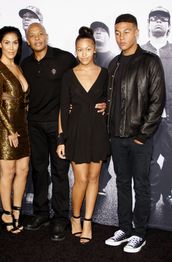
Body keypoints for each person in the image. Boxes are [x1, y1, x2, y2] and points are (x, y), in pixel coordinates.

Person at [105, 14, 165, 253]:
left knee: (141, 186)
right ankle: (124, 228)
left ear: (137, 32)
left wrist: (143, 134)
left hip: (140, 138)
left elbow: (157, 101)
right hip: (117, 138)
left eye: (126, 31)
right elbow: (114, 99)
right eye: (117, 32)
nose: (121, 37)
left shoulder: (150, 61)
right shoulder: (113, 63)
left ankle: (139, 233)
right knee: (121, 184)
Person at [21, 23, 77, 241]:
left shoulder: (63, 58)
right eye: (32, 36)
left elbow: (81, 77)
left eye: (40, 34)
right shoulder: (24, 64)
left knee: (60, 171)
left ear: (46, 36)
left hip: (58, 125)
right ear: (28, 41)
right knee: (38, 170)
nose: (37, 38)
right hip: (34, 125)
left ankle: (60, 218)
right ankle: (41, 213)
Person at [57, 26, 110, 244]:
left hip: (97, 131)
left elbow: (110, 101)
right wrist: (61, 139)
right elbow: (63, 108)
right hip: (76, 132)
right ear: (76, 51)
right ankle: (75, 216)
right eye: (80, 50)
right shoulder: (69, 76)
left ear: (94, 50)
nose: (84, 54)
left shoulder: (105, 74)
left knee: (94, 178)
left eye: (88, 49)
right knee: (80, 180)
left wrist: (107, 105)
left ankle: (87, 221)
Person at [0, 26, 30, 234]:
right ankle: (6, 213)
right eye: (7, 42)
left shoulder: (17, 66)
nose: (12, 47)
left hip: (22, 125)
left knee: (23, 170)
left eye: (15, 42)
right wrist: (10, 130)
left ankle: (16, 211)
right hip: (6, 127)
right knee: (9, 172)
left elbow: (22, 99)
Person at [141, 6, 172, 211]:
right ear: (149, 24)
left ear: (169, 25)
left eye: (163, 18)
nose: (158, 21)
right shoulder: (139, 52)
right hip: (146, 117)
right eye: (154, 18)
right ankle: (150, 196)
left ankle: (167, 190)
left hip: (170, 116)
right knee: (149, 158)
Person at [90, 21, 115, 196]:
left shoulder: (115, 59)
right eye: (95, 31)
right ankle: (89, 181)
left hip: (106, 113)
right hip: (85, 111)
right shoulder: (86, 56)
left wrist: (109, 104)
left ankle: (101, 182)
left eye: (102, 30)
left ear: (108, 35)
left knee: (105, 149)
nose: (98, 33)